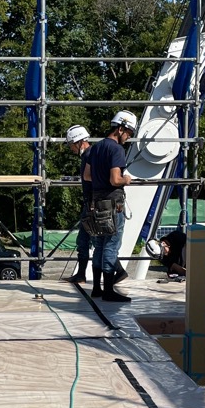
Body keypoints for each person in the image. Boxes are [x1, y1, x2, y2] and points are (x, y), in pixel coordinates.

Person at [83, 110, 137, 302]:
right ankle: (108, 291)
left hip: (97, 202)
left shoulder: (95, 148)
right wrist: (126, 179)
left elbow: (87, 176)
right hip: (113, 204)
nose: (128, 137)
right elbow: (115, 180)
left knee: (99, 244)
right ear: (120, 128)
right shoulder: (116, 150)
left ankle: (96, 288)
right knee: (111, 245)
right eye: (128, 133)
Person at [64, 124, 92, 283]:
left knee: (88, 241)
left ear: (79, 142)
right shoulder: (88, 155)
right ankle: (81, 274)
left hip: (93, 205)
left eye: (71, 145)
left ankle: (118, 271)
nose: (71, 149)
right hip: (91, 203)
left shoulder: (90, 155)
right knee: (85, 241)